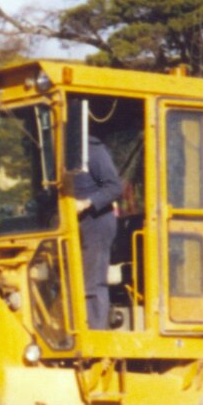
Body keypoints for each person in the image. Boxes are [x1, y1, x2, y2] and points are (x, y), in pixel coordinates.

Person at [71, 132, 120, 330]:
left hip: (96, 221)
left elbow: (114, 186)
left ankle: (96, 334)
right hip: (71, 224)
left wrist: (85, 203)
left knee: (93, 280)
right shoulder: (53, 154)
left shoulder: (90, 149)